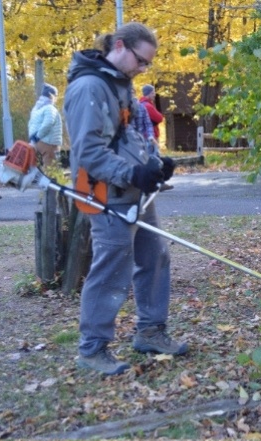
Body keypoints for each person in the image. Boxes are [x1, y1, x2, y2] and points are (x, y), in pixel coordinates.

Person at [65, 22, 182, 376]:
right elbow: (88, 151)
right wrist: (132, 173)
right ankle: (92, 349)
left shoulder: (121, 84)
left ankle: (150, 331)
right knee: (112, 267)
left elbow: (130, 133)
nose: (143, 69)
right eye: (141, 61)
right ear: (119, 46)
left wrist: (154, 163)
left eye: (147, 64)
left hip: (133, 190)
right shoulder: (89, 87)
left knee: (155, 255)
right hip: (104, 193)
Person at [28, 85, 63, 170]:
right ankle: (49, 182)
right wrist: (38, 136)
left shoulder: (36, 108)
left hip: (36, 142)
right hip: (49, 142)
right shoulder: (50, 108)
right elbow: (48, 123)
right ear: (52, 96)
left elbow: (30, 123)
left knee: (39, 167)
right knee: (51, 169)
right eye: (56, 95)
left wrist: (34, 139)